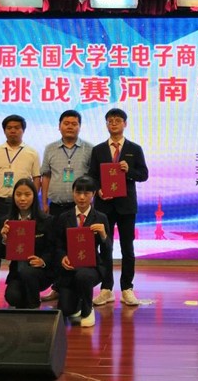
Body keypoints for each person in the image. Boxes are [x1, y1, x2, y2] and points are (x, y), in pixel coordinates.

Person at [89, 108, 148, 307]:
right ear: (106, 124)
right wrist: (98, 190)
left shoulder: (134, 148)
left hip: (126, 206)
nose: (113, 123)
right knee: (105, 247)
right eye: (110, 120)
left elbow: (144, 175)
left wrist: (128, 170)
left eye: (118, 120)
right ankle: (106, 289)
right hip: (104, 206)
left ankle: (127, 288)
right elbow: (92, 176)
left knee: (127, 248)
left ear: (125, 124)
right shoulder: (98, 150)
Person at [39, 109, 93, 302]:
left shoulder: (89, 149)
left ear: (80, 126)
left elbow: (92, 179)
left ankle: (76, 288)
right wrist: (44, 202)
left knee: (77, 247)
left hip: (79, 208)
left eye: (74, 123)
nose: (70, 126)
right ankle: (57, 287)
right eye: (66, 123)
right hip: (56, 206)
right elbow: (46, 176)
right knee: (57, 246)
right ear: (59, 126)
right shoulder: (50, 148)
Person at [56, 175, 112, 328]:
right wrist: (62, 258)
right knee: (66, 310)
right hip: (70, 267)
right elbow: (58, 245)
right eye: (78, 192)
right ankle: (77, 304)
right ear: (73, 193)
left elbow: (108, 250)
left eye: (86, 193)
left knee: (83, 276)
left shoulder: (101, 217)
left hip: (91, 268)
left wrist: (103, 235)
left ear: (93, 194)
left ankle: (88, 310)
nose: (81, 197)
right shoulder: (64, 217)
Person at [0, 178, 56, 308]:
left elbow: (53, 248)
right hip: (18, 272)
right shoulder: (7, 221)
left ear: (34, 196)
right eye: (18, 194)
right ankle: (27, 301)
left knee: (28, 273)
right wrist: (4, 239)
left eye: (27, 194)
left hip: (40, 271)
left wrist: (43, 261)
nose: (22, 199)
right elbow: (0, 254)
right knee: (12, 297)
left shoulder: (46, 220)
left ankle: (34, 307)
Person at [0, 114, 41, 221]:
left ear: (23, 130)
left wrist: (33, 201)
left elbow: (36, 178)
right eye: (9, 128)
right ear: (4, 131)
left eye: (17, 128)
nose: (13, 130)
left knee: (20, 230)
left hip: (22, 203)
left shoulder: (32, 153)